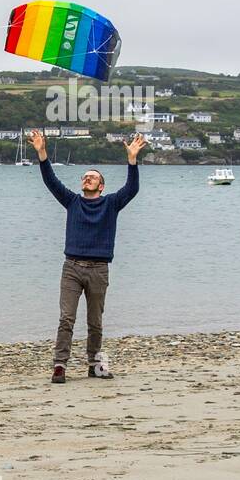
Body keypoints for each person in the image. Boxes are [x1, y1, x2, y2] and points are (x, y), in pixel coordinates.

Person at [28, 128, 146, 384]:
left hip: (99, 269)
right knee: (66, 318)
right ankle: (60, 365)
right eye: (85, 177)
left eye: (92, 177)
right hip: (71, 267)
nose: (87, 179)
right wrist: (42, 153)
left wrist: (132, 160)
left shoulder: (111, 203)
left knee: (95, 321)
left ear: (101, 186)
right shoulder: (72, 201)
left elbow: (132, 189)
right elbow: (51, 181)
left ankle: (94, 364)